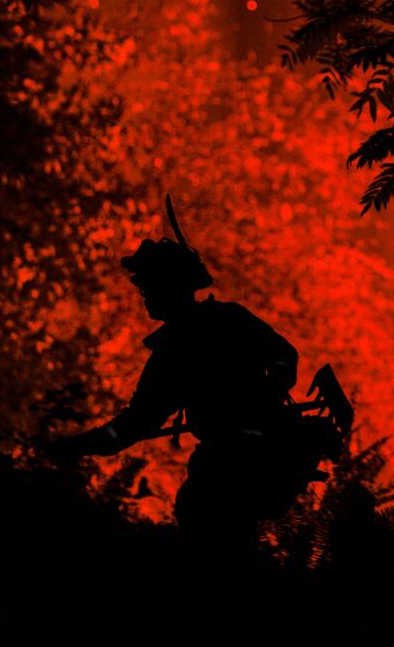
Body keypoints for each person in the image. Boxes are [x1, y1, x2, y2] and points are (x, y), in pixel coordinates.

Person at [48, 200, 319, 560]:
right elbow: (131, 427)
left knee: (203, 513)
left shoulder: (177, 353)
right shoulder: (222, 324)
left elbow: (129, 429)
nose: (144, 294)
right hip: (265, 456)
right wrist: (82, 444)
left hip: (242, 462)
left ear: (171, 286)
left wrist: (74, 446)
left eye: (150, 286)